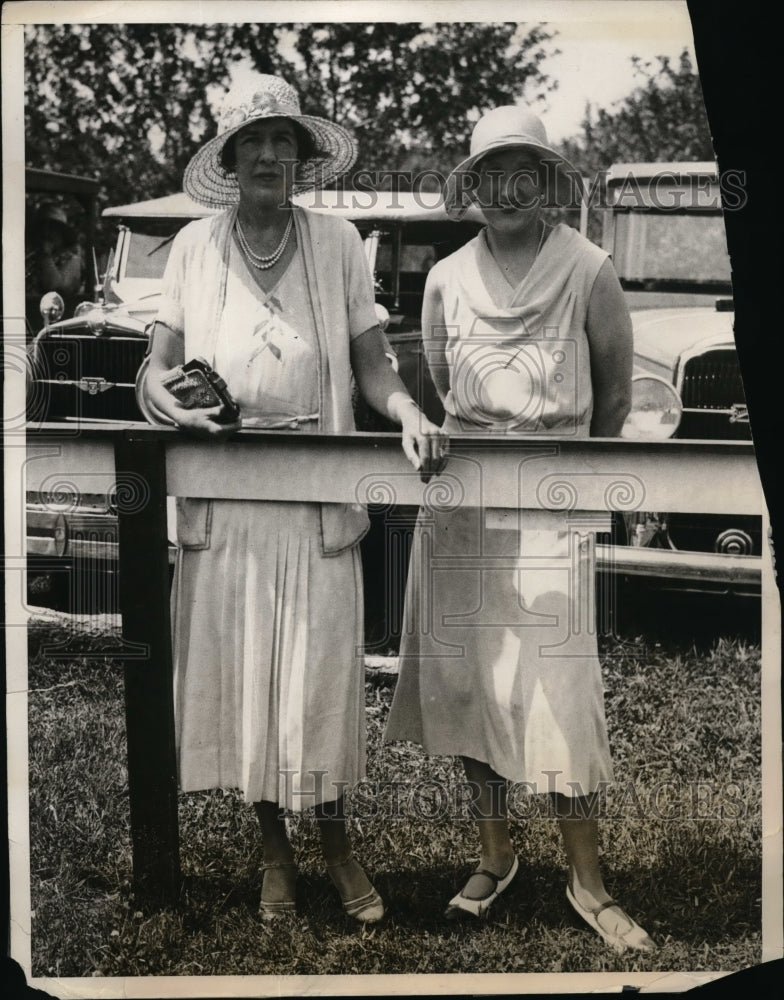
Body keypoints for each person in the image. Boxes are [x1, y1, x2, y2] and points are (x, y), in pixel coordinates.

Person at [143, 74, 447, 923]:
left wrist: (409, 412)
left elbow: (373, 367)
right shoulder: (196, 247)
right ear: (232, 160)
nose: (270, 155)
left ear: (302, 158)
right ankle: (274, 856)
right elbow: (157, 369)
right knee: (246, 681)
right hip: (228, 495)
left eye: (284, 141)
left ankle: (340, 850)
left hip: (318, 495)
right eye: (254, 143)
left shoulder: (341, 241)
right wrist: (162, 397)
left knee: (318, 681)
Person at [385, 105, 656, 953]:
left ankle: (588, 881)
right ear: (473, 189)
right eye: (491, 175)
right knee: (471, 685)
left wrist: (569, 484)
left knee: (559, 691)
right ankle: (495, 854)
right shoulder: (445, 277)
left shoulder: (590, 268)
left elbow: (613, 398)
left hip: (552, 498)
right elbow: (433, 395)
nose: (507, 190)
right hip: (462, 505)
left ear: (546, 187)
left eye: (524, 175)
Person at [25, 202, 84, 330]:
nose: (46, 233)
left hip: (56, 325)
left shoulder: (72, 260)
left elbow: (54, 288)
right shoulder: (32, 257)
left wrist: (46, 256)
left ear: (63, 235)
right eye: (42, 228)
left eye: (53, 228)